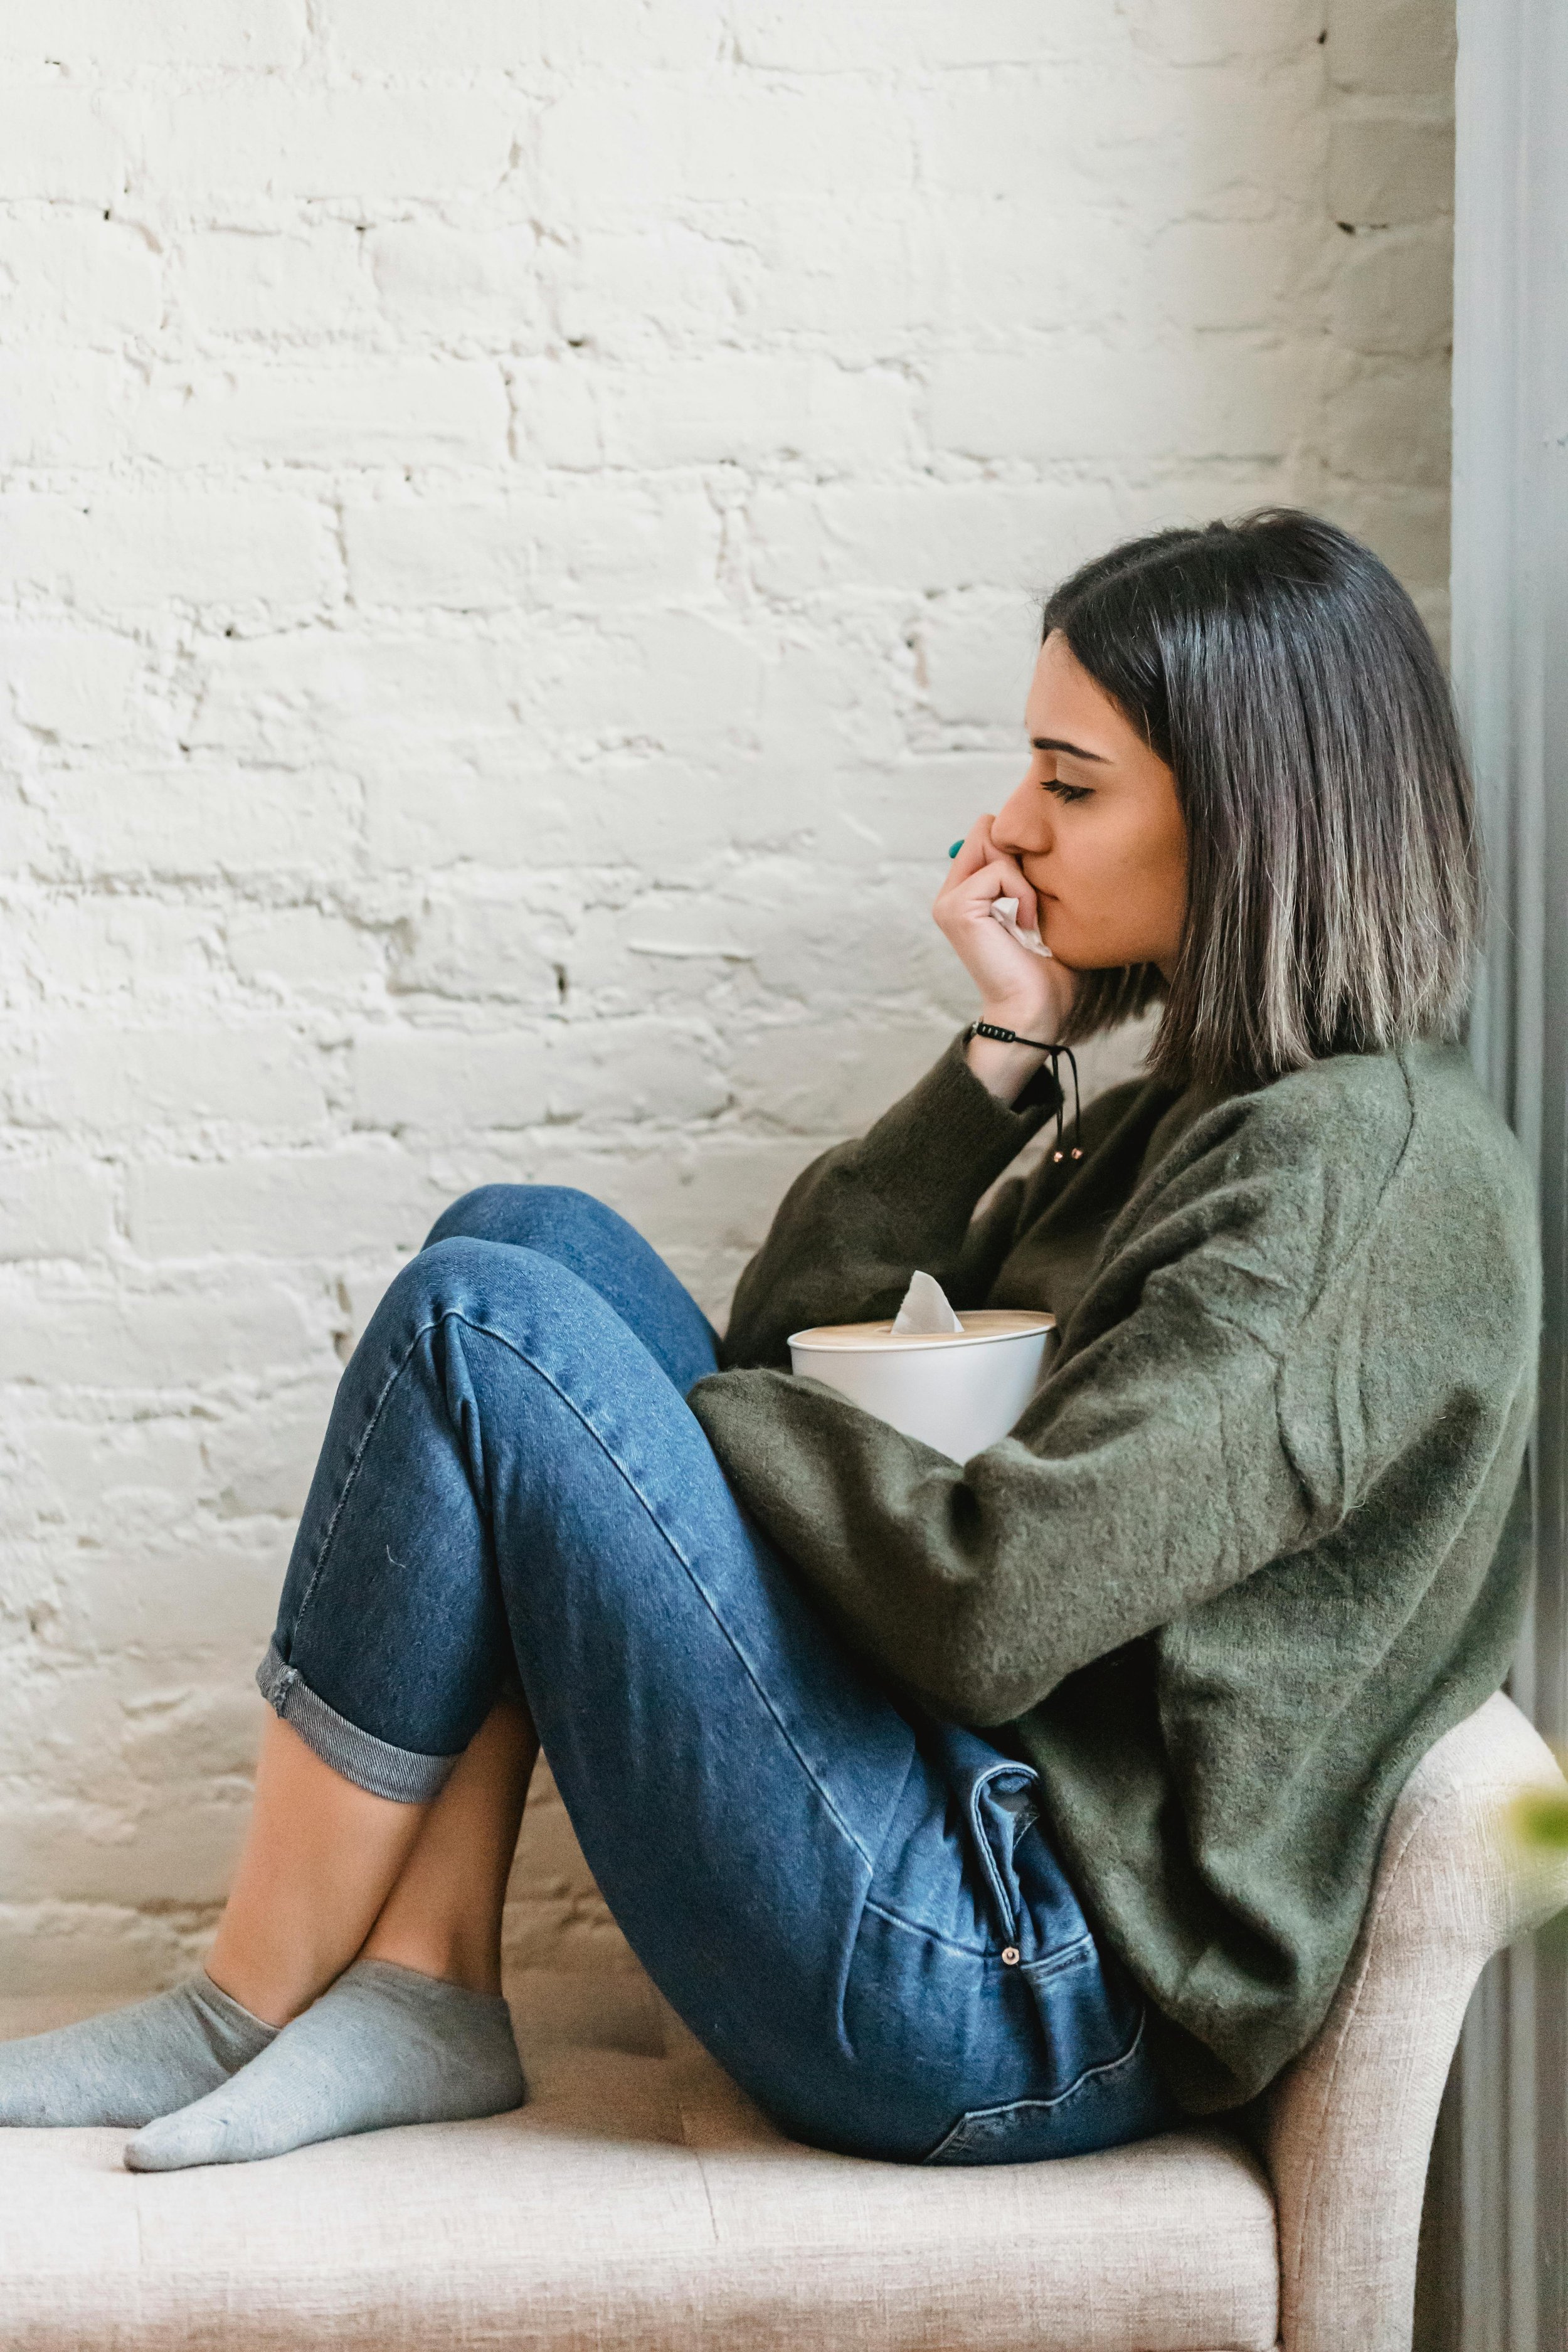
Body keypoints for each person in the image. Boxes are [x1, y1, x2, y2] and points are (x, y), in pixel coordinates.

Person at [0, 511, 1538, 2175]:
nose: (1007, 826)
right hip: (959, 1826)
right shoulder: (1209, 1104)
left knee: (485, 1331)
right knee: (524, 1243)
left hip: (1016, 1982)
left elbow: (991, 1600)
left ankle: (248, 1999)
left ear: (1247, 820)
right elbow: (787, 1341)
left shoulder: (1343, 1188)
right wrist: (997, 1060)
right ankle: (423, 1976)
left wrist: (672, 1424)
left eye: (1068, 785)